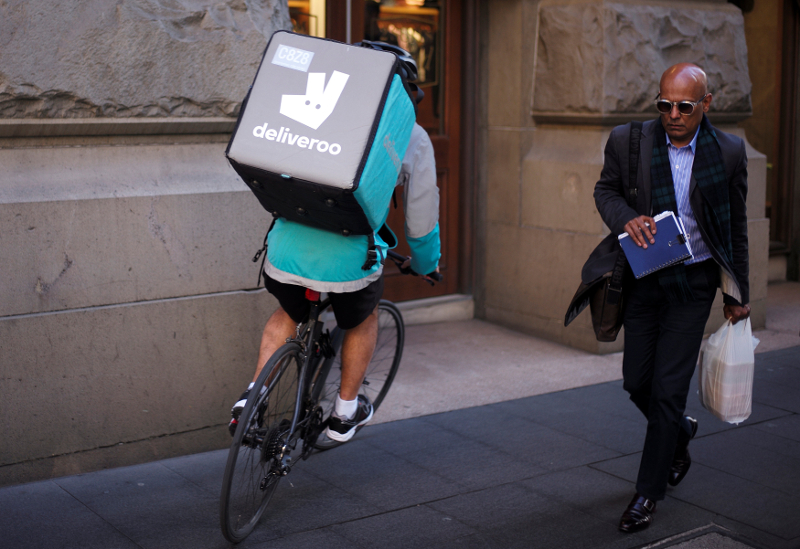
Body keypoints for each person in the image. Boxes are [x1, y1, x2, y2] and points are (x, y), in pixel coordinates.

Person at [594, 63, 750, 533]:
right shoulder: (629, 141)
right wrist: (626, 218)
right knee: (636, 382)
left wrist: (737, 291)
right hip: (645, 278)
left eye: (684, 105)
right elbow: (605, 190)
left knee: (667, 392)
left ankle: (648, 492)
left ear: (706, 104)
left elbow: (734, 227)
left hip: (695, 284)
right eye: (665, 104)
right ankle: (680, 433)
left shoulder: (728, 152)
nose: (673, 114)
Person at [229, 121, 441, 443]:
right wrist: (426, 263)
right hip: (351, 256)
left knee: (288, 312)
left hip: (289, 245)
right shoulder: (410, 132)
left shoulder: (321, 111)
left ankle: (251, 399)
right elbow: (422, 210)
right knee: (362, 317)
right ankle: (344, 414)